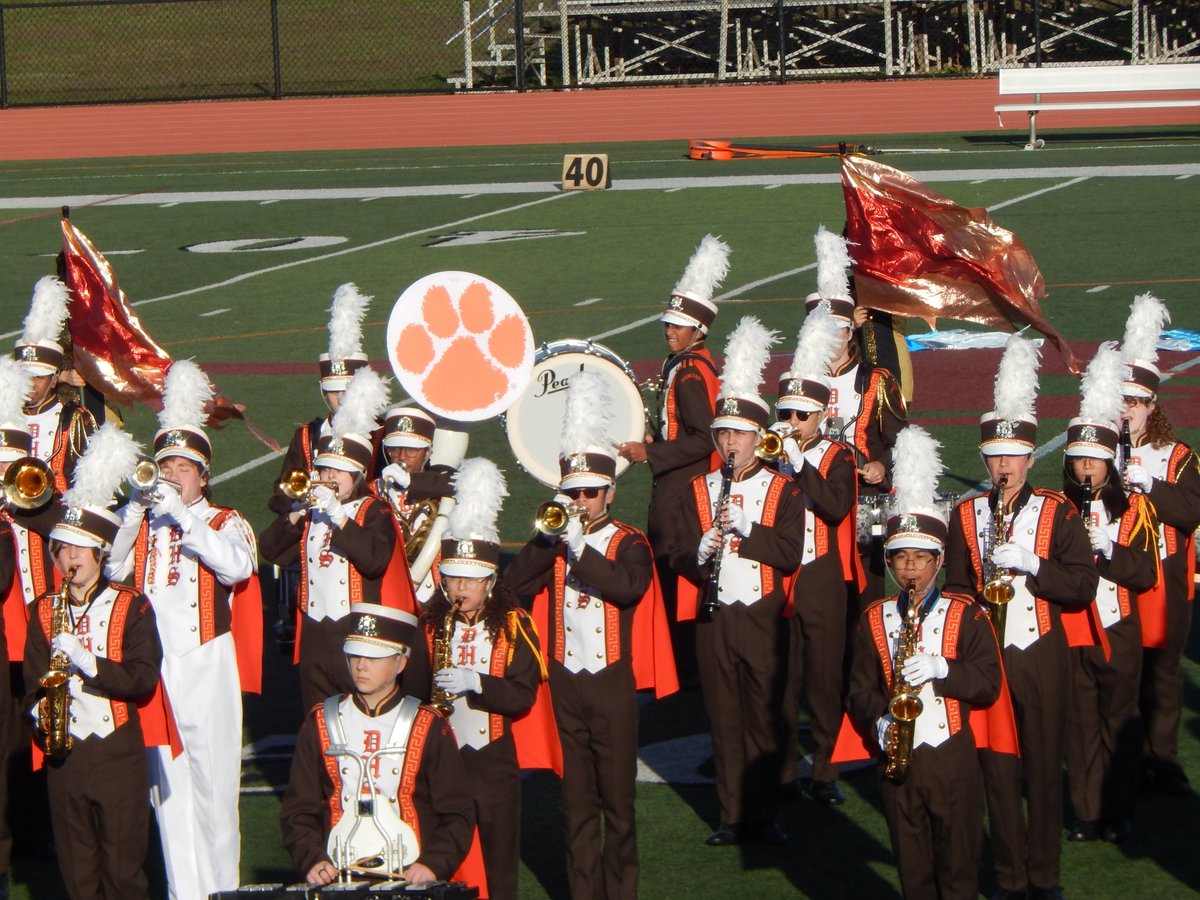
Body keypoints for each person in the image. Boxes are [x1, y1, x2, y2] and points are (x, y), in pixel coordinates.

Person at [506, 370, 676, 900]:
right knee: (575, 803)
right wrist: (549, 539)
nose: (580, 500)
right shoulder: (556, 539)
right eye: (572, 492)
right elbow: (512, 586)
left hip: (610, 684)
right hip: (564, 683)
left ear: (609, 492)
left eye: (589, 492)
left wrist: (579, 549)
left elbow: (627, 589)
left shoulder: (628, 542)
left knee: (617, 804)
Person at [944, 333, 1097, 900]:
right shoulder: (965, 514)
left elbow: (1081, 585)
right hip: (988, 657)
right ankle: (1009, 877)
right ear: (984, 459)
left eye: (1012, 456)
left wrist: (1034, 565)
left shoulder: (1057, 512)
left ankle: (1044, 875)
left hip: (1041, 652)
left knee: (1040, 769)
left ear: (1031, 458)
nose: (1003, 464)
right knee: (998, 772)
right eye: (994, 456)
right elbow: (956, 588)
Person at [106, 360, 259, 900]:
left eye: (181, 466)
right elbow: (110, 569)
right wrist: (132, 513)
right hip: (157, 668)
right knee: (165, 790)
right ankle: (183, 892)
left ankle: (222, 891)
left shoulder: (222, 520)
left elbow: (238, 568)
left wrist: (184, 518)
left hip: (206, 663)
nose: (170, 474)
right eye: (164, 463)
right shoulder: (147, 520)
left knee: (215, 788)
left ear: (202, 475)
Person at [846, 426, 1002, 900]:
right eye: (900, 560)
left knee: (958, 868)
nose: (909, 569)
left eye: (920, 559)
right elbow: (859, 689)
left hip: (951, 754)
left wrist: (943, 670)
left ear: (939, 562)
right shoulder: (875, 616)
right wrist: (877, 721)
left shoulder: (968, 613)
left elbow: (988, 685)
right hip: (898, 754)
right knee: (912, 869)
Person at [670, 317, 805, 846]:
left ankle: (766, 816)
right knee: (723, 718)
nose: (730, 442)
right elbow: (676, 551)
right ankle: (730, 817)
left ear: (758, 438)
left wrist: (749, 534)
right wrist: (697, 553)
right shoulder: (697, 490)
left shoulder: (783, 491)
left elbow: (791, 555)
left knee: (763, 720)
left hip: (764, 616)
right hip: (715, 615)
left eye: (739, 434)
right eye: (723, 433)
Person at [23, 424, 162, 900]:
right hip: (65, 757)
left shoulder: (132, 605)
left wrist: (90, 662)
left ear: (101, 553)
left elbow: (142, 679)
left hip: (116, 752)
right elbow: (31, 680)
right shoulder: (43, 608)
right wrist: (38, 710)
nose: (70, 558)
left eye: (80, 548)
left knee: (124, 876)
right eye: (62, 549)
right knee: (78, 879)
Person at [406, 457, 548, 900]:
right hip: (441, 761)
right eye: (452, 581)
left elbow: (524, 695)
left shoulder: (514, 625)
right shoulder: (429, 625)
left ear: (490, 582)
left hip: (493, 760)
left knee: (499, 859)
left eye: (469, 581)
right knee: (442, 856)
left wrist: (478, 682)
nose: (459, 591)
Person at [279, 603, 476, 888]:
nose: (361, 665)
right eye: (355, 655)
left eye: (374, 657)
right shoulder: (320, 721)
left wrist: (433, 863)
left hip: (408, 875)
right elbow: (298, 809)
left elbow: (458, 812)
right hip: (338, 875)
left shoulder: (429, 725)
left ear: (400, 662)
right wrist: (310, 859)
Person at [260, 367, 412, 711]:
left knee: (363, 716)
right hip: (315, 634)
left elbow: (374, 560)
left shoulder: (374, 511)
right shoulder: (312, 511)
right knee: (318, 721)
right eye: (324, 470)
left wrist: (339, 516)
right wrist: (298, 511)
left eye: (337, 472)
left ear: (357, 474)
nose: (329, 478)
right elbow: (270, 549)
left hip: (358, 633)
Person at [1058, 343, 1159, 845]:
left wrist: (1112, 552)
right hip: (1074, 627)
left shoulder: (1135, 510)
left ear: (1109, 465)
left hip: (1119, 627)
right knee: (1079, 725)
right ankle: (1086, 811)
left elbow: (1145, 574)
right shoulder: (1055, 509)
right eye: (1078, 463)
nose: (1086, 471)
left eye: (1095, 463)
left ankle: (1119, 810)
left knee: (1119, 720)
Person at [618, 235, 727, 681]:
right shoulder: (680, 366)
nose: (669, 331)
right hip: (678, 479)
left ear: (698, 331)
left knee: (674, 565)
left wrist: (652, 451)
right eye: (668, 324)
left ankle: (680, 664)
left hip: (683, 486)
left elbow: (705, 439)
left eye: (678, 326)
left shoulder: (690, 375)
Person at [769, 305, 862, 807]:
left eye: (800, 415)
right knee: (784, 678)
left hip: (823, 578)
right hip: (781, 576)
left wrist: (798, 462)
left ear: (821, 415)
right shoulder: (774, 456)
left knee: (825, 679)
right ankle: (784, 771)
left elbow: (833, 505)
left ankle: (826, 770)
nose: (791, 423)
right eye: (785, 414)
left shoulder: (838, 456)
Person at [1116, 294, 1200, 799]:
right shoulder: (1099, 452)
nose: (1128, 411)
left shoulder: (1179, 455)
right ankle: (1125, 760)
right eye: (1122, 402)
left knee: (1164, 671)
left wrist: (1150, 484)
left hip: (1168, 575)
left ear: (1152, 406)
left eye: (1137, 402)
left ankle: (1162, 759)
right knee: (1124, 671)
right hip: (1119, 575)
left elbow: (1192, 511)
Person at [805, 227, 907, 605]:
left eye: (841, 329)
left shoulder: (877, 381)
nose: (833, 337)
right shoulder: (799, 382)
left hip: (864, 498)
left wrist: (881, 465)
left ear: (852, 332)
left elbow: (903, 443)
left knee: (867, 598)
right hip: (811, 498)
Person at [269, 283, 373, 515]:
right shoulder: (307, 435)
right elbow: (279, 495)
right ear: (324, 393)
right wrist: (304, 499)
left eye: (347, 392)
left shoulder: (383, 432)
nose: (340, 399)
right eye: (334, 392)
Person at [14, 276, 97, 494]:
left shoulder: (75, 419)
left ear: (55, 378)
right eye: (26, 376)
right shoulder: (6, 414)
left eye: (39, 378)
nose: (31, 384)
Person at [372, 405, 456, 607]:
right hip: (387, 590)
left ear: (428, 452)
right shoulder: (373, 489)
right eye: (394, 448)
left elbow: (467, 485)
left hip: (431, 592)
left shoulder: (441, 486)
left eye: (411, 449)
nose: (401, 456)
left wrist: (412, 482)